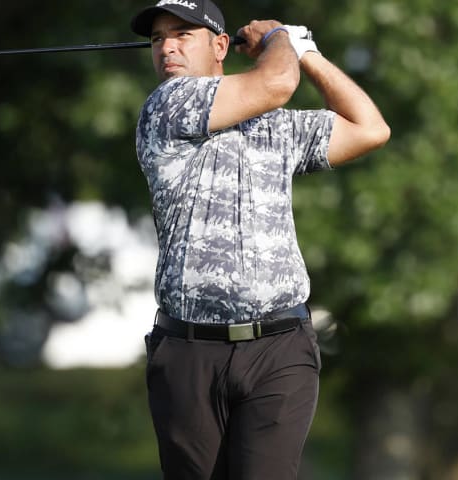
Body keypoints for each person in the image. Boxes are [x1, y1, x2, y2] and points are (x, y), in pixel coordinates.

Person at [131, 0, 390, 479]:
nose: (167, 46)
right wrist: (277, 38)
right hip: (190, 352)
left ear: (220, 46)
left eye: (183, 34)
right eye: (157, 38)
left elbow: (370, 129)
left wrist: (307, 51)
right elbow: (276, 82)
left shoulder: (275, 126)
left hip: (279, 348)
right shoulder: (167, 106)